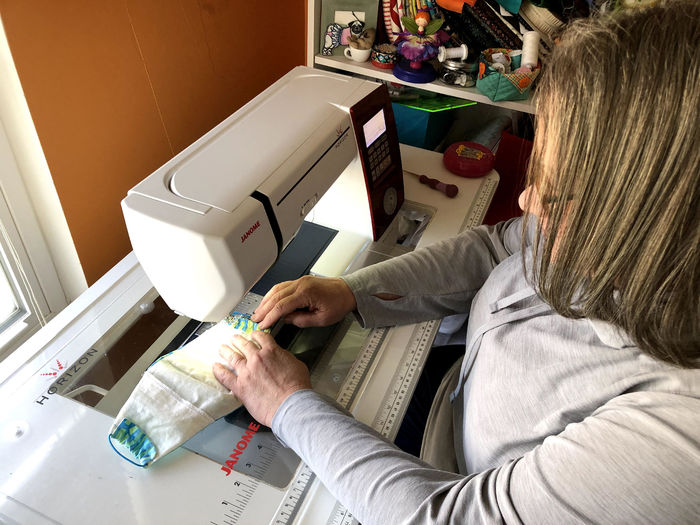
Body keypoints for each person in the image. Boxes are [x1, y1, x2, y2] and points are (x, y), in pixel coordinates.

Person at [213, 1, 700, 523]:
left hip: (458, 478)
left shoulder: (677, 432)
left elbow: (451, 517)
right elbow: (501, 246)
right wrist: (354, 291)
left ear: (659, 225)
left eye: (556, 197)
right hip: (453, 399)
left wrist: (288, 404)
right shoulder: (615, 246)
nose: (526, 201)